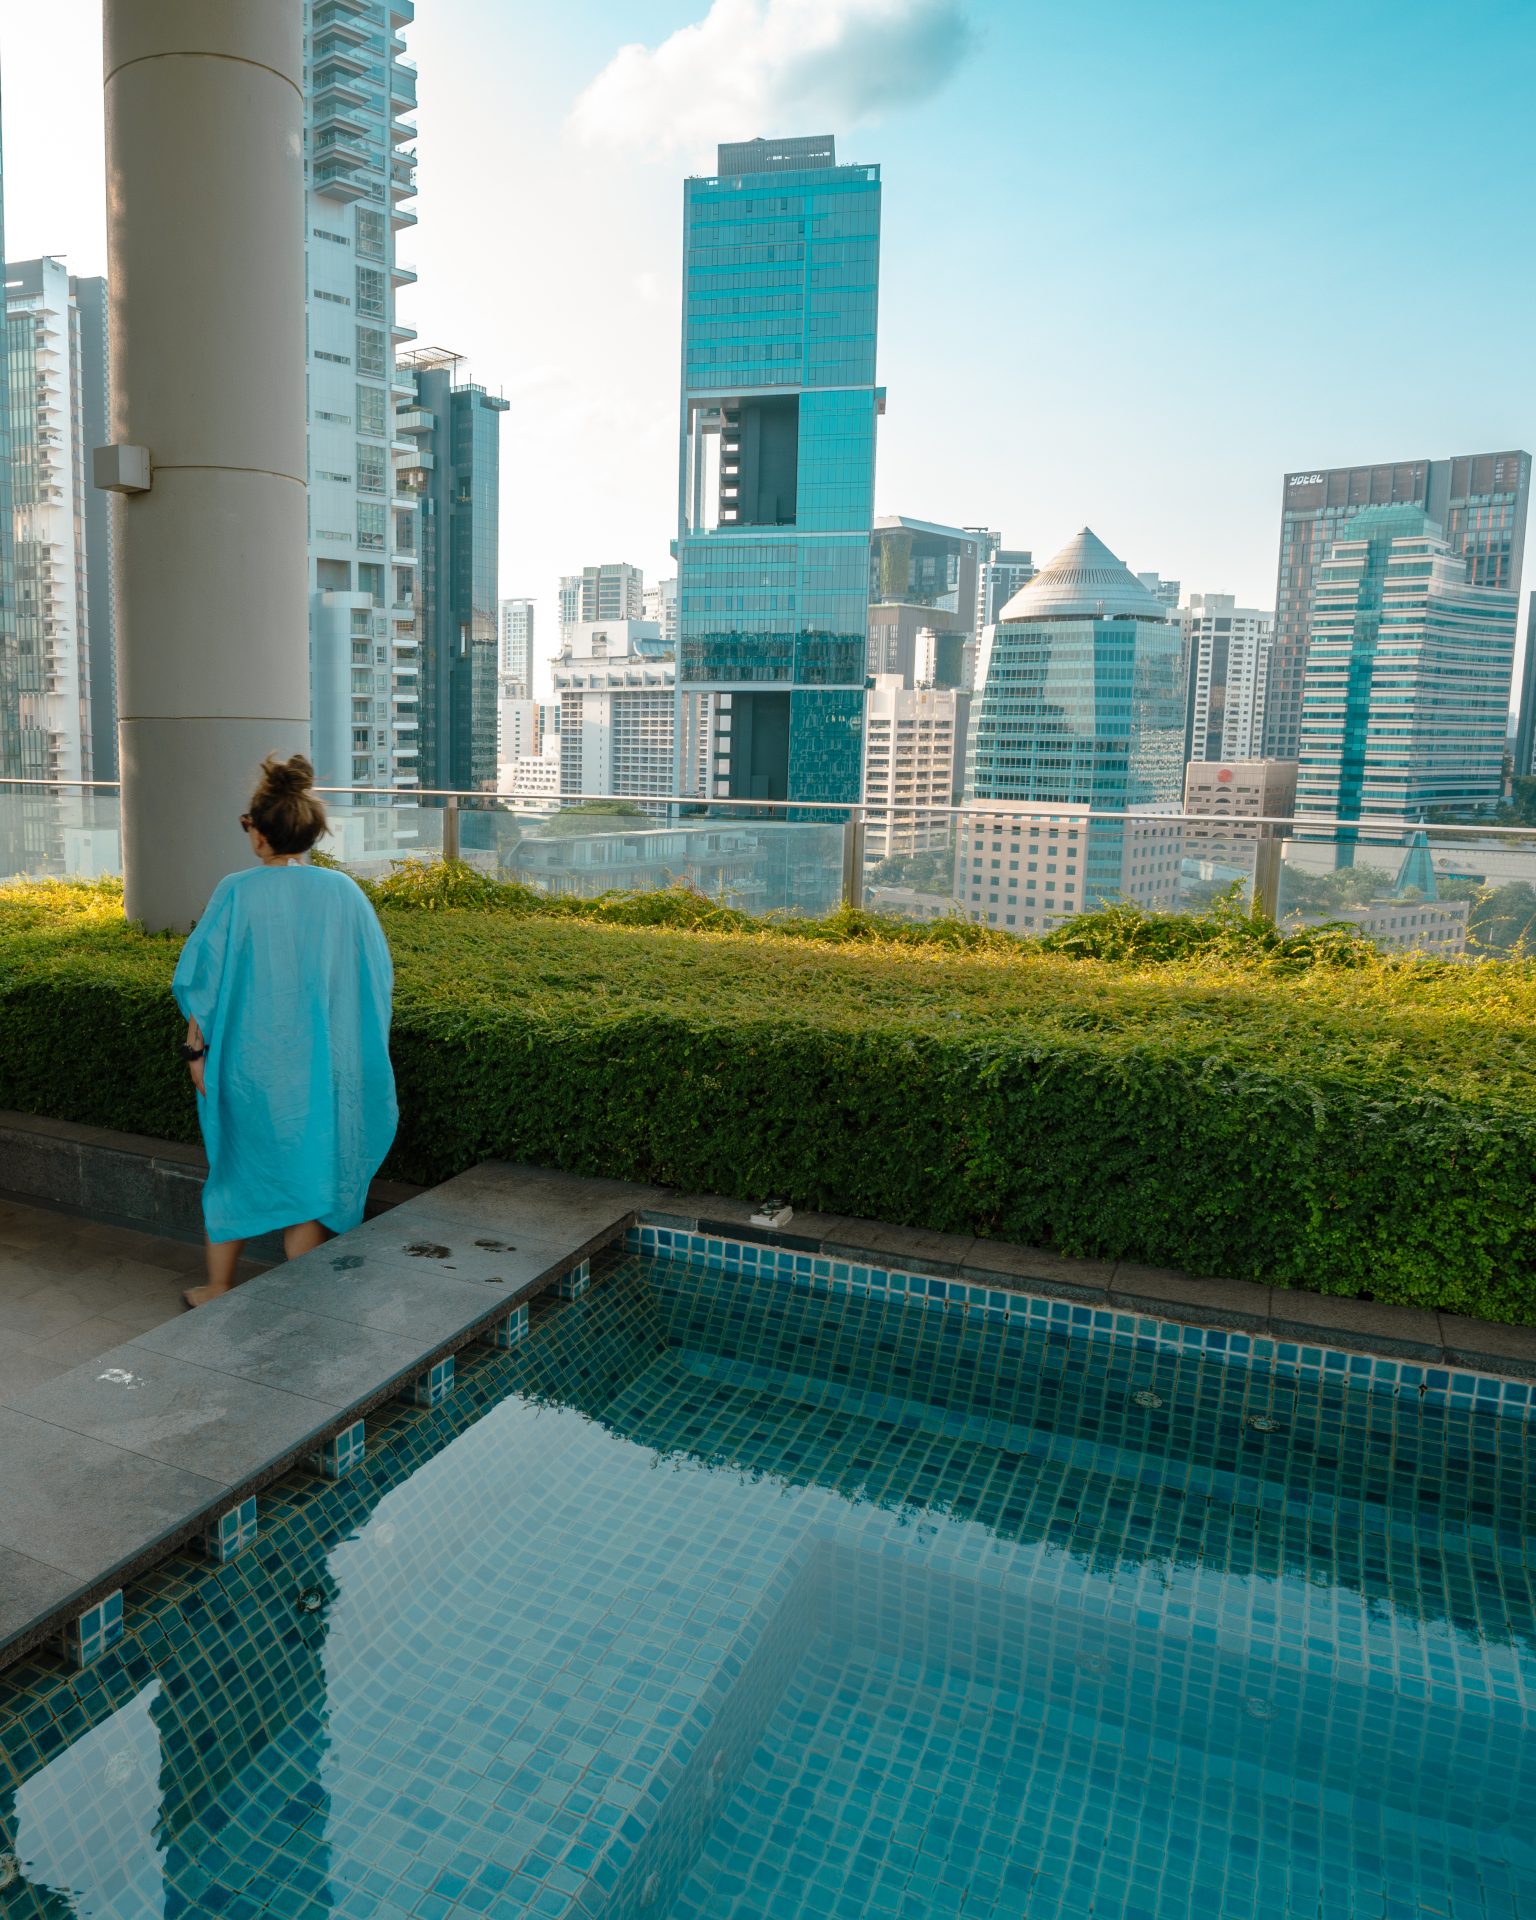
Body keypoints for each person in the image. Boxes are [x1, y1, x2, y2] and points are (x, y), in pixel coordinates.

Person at [172, 754, 398, 1309]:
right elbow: (373, 982)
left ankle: (217, 1287)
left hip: (247, 1068)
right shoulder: (345, 894)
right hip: (323, 1070)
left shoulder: (236, 891)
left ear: (259, 833)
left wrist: (193, 1053)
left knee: (234, 1172)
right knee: (311, 1182)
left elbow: (205, 981)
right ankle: (303, 1298)